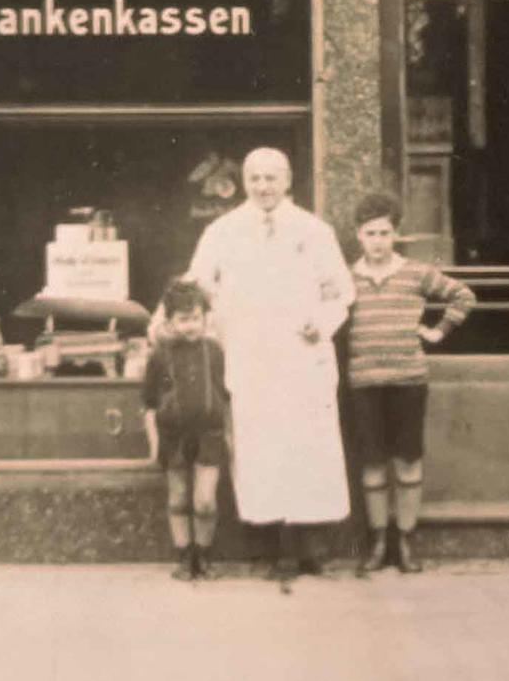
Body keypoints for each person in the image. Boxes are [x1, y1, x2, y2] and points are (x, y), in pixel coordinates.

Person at [182, 147, 354, 582]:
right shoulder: (223, 231)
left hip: (301, 357)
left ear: (288, 180)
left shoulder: (314, 231)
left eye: (272, 178)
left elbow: (340, 291)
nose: (263, 187)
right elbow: (197, 286)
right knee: (261, 448)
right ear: (244, 183)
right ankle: (274, 544)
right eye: (255, 178)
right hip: (251, 357)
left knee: (306, 448)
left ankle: (307, 545)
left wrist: (322, 322)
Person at [344, 191, 475, 574]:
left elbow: (463, 295)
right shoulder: (346, 277)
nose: (378, 241)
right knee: (371, 464)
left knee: (407, 461)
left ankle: (405, 541)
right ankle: (378, 540)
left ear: (395, 234)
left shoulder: (415, 273)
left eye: (385, 233)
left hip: (408, 381)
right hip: (364, 382)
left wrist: (437, 332)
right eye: (370, 233)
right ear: (358, 235)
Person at [141, 278, 227, 581]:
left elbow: (227, 397)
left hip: (209, 436)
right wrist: (154, 445)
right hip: (173, 438)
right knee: (178, 498)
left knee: (204, 501)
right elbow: (149, 404)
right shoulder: (160, 355)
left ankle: (204, 555)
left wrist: (231, 437)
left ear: (204, 318)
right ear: (170, 321)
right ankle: (184, 556)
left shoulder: (215, 351)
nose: (190, 326)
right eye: (183, 319)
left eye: (195, 319)